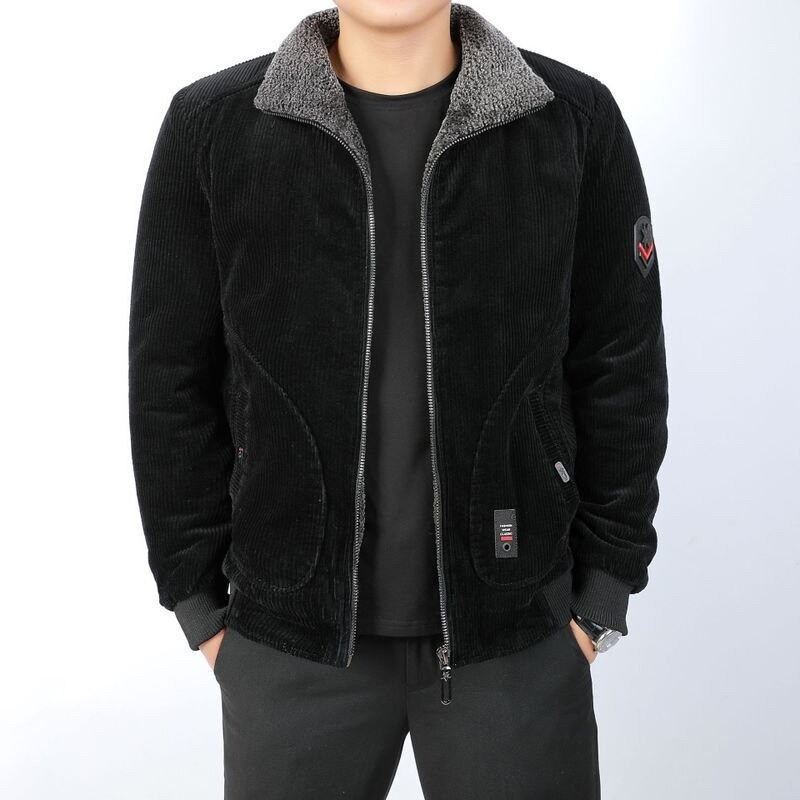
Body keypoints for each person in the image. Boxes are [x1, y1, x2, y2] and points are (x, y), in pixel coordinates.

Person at [128, 2, 668, 797]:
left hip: (517, 636)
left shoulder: (570, 121)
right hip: (289, 647)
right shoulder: (215, 126)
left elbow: (623, 366)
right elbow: (168, 380)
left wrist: (601, 598)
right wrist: (200, 606)